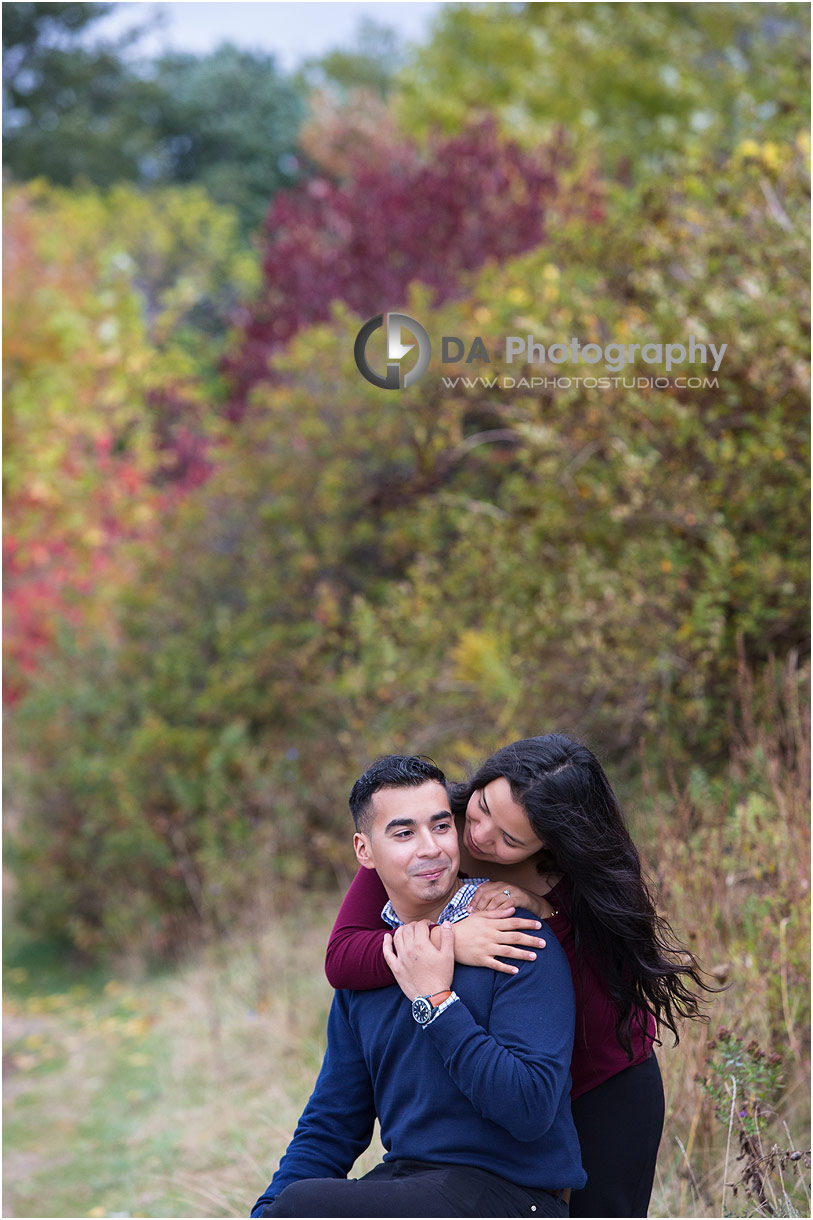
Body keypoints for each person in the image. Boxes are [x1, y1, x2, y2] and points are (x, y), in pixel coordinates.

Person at [326, 734, 710, 1218]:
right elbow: (341, 957)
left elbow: (580, 980)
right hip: (510, 1083)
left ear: (549, 845)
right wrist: (450, 939)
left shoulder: (578, 887)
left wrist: (544, 911)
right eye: (483, 807)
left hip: (601, 1081)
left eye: (510, 839)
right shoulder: (430, 836)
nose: (480, 836)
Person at [251, 754, 586, 1218]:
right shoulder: (368, 968)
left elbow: (529, 1108)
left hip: (512, 1193)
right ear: (364, 851)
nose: (430, 848)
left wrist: (437, 1002)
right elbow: (331, 1124)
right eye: (404, 833)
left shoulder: (513, 938)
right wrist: (266, 1210)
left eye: (441, 826)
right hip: (412, 1183)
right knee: (291, 1206)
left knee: (306, 1208)